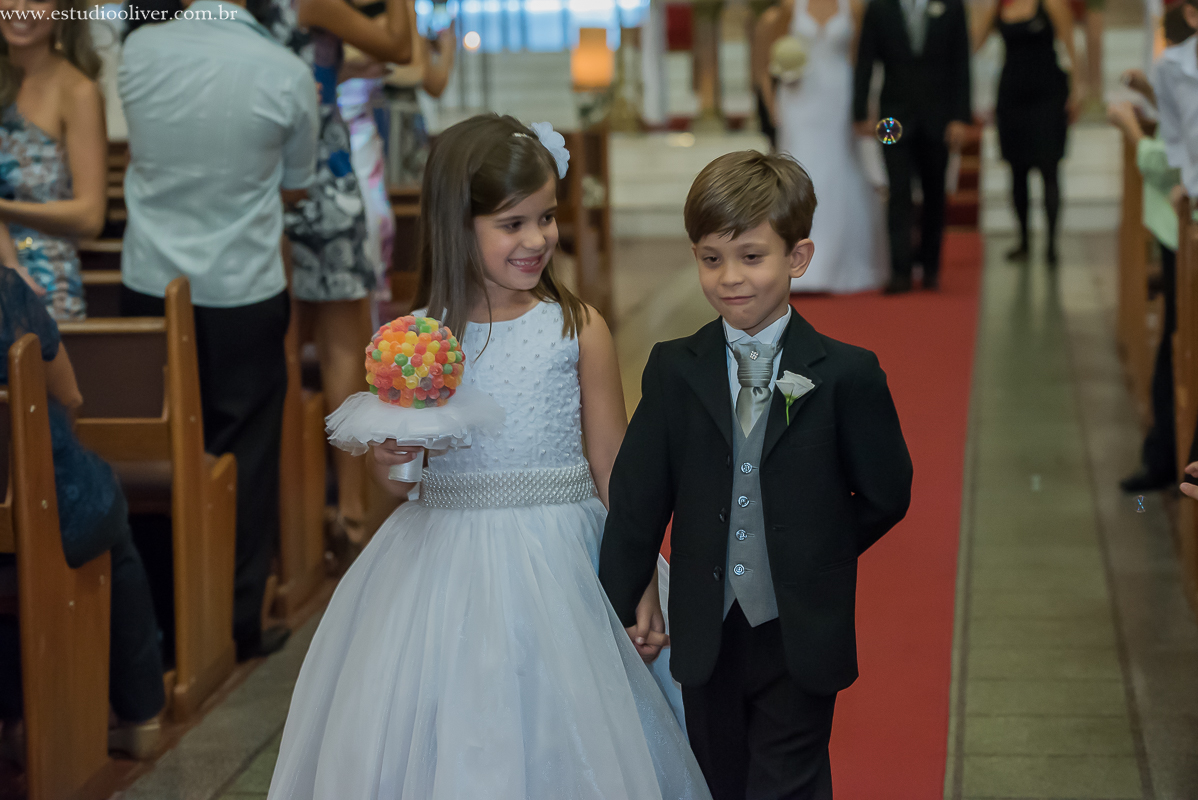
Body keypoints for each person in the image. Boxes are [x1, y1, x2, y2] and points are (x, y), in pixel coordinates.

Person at [266, 114, 710, 799]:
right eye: (513, 223)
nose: (538, 239)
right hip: (444, 565)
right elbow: (398, 484)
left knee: (574, 729)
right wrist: (393, 458)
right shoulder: (421, 342)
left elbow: (615, 463)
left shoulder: (576, 327)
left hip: (569, 556)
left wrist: (642, 580)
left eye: (547, 217)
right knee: (459, 729)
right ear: (457, 224)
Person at [599, 150, 913, 800]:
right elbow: (637, 501)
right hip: (704, 630)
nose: (729, 278)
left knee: (787, 784)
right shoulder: (673, 371)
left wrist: (813, 550)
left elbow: (887, 492)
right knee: (718, 779)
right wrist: (617, 602)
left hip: (798, 630)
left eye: (750, 256)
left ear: (798, 258)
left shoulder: (847, 374)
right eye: (710, 258)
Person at [118, 0, 319, 661]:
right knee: (246, 454)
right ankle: (236, 618)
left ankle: (163, 622)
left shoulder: (140, 51)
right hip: (242, 286)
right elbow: (296, 186)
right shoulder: (286, 70)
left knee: (155, 450)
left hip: (149, 284)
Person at [252, 0, 411, 559]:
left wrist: (335, 69)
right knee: (344, 353)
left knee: (283, 352)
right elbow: (399, 46)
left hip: (264, 174)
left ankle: (291, 518)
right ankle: (349, 512)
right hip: (322, 174)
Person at [0, 265, 165, 760]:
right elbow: (70, 394)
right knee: (107, 517)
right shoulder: (8, 291)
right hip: (42, 508)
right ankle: (140, 714)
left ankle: (14, 714)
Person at [1109, 3, 1192, 493]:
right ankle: (1165, 453)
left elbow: (1171, 159)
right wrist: (1148, 92)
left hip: (1188, 226)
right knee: (1174, 340)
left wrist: (1131, 128)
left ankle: (1168, 459)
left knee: (1178, 342)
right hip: (1181, 225)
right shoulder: (1180, 69)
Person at [755, 0, 887, 294]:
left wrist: (864, 105)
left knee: (839, 171)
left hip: (839, 94)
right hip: (798, 98)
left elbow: (860, 58)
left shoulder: (852, 7)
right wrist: (772, 106)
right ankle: (796, 262)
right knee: (799, 171)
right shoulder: (791, 7)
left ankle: (838, 262)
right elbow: (765, 62)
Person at [852, 0, 972, 294]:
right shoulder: (880, 7)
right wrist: (859, 111)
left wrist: (960, 117)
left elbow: (961, 61)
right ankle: (900, 271)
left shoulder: (952, 6)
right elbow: (865, 58)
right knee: (898, 191)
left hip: (938, 117)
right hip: (892, 118)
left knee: (934, 193)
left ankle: (931, 267)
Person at [0, 0, 107, 320]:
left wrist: (3, 208)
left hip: (44, 277)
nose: (20, 9)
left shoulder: (77, 91)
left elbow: (90, 216)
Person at [973, 0, 1080, 266]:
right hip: (1012, 95)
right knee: (1016, 169)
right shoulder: (998, 8)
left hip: (1047, 94)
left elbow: (1069, 46)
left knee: (1049, 168)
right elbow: (974, 43)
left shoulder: (1051, 5)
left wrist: (1077, 89)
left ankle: (1052, 244)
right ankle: (1023, 240)